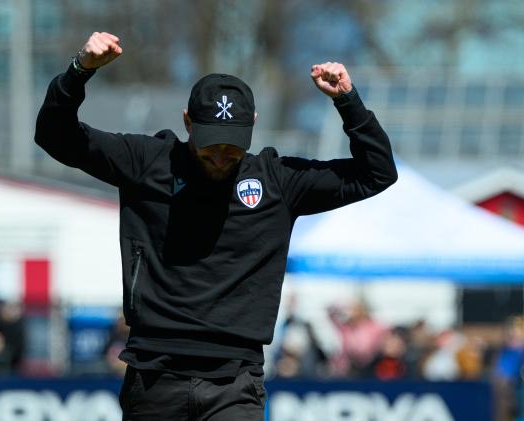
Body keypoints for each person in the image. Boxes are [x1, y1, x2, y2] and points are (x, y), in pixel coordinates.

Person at [35, 31, 397, 421]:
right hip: (154, 379)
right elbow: (54, 136)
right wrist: (80, 70)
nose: (222, 158)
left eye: (233, 148)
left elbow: (376, 173)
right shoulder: (146, 162)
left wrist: (347, 101)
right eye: (210, 147)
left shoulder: (278, 182)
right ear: (187, 122)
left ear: (253, 125)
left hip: (235, 384)